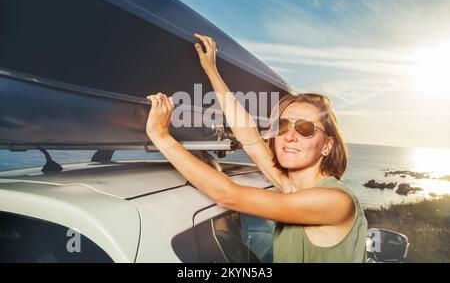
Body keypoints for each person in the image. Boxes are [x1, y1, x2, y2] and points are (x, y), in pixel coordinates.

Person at [145, 33, 367, 263]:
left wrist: (160, 136)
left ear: (328, 146)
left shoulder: (336, 202)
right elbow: (249, 137)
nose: (289, 136)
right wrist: (211, 70)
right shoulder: (291, 188)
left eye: (305, 128)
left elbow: (229, 196)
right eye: (282, 126)